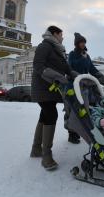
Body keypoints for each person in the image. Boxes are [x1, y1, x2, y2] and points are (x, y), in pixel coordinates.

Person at [30, 25, 77, 171]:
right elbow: (38, 65)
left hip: (51, 88)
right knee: (51, 114)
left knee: (44, 115)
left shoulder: (58, 49)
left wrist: (76, 75)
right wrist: (57, 77)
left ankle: (36, 149)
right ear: (54, 34)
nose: (62, 37)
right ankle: (46, 156)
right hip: (43, 87)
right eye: (61, 34)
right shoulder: (45, 46)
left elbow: (65, 68)